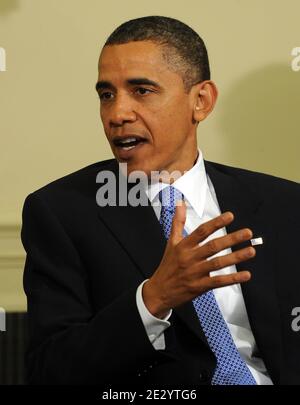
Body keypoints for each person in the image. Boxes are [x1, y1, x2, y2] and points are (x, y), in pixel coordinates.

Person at [21, 16, 300, 385]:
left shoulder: (285, 204)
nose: (117, 114)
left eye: (141, 91)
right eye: (107, 95)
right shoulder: (60, 213)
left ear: (200, 101)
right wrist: (153, 299)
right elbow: (50, 370)